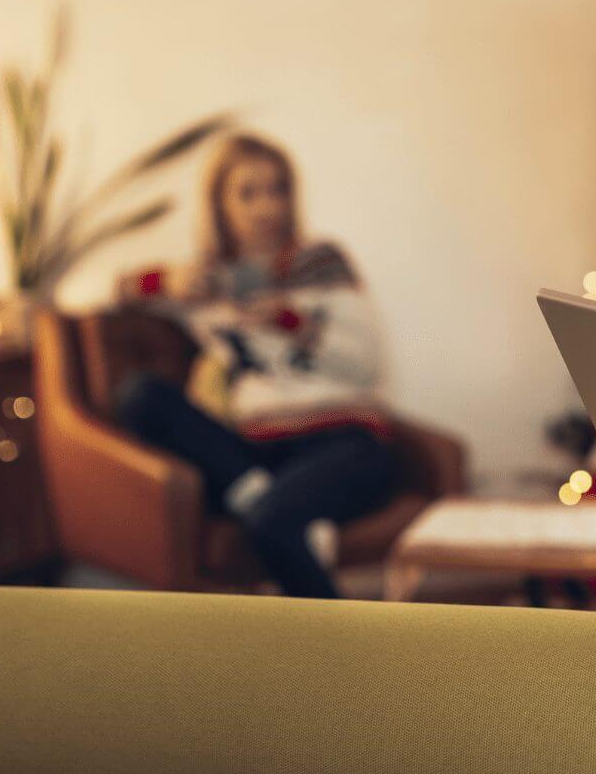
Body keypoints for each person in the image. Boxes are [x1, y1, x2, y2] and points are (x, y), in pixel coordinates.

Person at [114, 132, 402, 599]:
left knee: (270, 520)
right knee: (139, 395)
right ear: (219, 204)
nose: (267, 207)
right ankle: (263, 500)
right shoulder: (208, 282)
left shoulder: (320, 264)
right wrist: (164, 280)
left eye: (278, 190)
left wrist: (291, 322)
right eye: (248, 194)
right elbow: (114, 292)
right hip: (255, 455)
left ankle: (343, 643)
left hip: (342, 444)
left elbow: (368, 365)